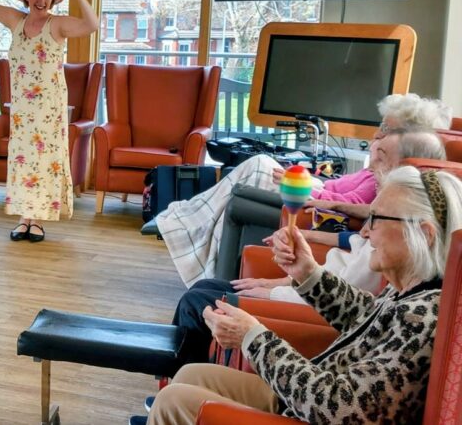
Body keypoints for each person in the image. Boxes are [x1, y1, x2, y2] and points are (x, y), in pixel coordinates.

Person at [142, 165, 461, 424]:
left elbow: (341, 409)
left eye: (376, 220)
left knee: (174, 402)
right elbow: (363, 316)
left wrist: (253, 337)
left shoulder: (423, 318)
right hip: (308, 398)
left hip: (319, 408)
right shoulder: (417, 292)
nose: (364, 231)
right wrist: (307, 273)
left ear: (424, 233)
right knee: (190, 374)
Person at [167, 129, 447, 366]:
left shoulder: (415, 317)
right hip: (309, 300)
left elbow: (332, 399)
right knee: (203, 289)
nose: (362, 228)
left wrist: (256, 329)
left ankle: (181, 223)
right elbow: (354, 295)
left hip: (301, 323)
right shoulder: (396, 282)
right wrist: (301, 272)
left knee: (197, 301)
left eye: (373, 219)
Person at [156, 93, 452, 285]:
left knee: (258, 164)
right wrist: (305, 177)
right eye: (381, 126)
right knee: (256, 166)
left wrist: (316, 196)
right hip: (317, 190)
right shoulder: (377, 167)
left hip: (314, 198)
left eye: (387, 129)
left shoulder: (391, 184)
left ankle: (183, 222)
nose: (378, 133)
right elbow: (340, 187)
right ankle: (184, 221)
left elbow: (349, 201)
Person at [0, 0, 99, 242]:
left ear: (53, 0)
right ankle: (23, 217)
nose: (42, 1)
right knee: (22, 161)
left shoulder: (58, 24)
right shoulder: (15, 20)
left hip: (49, 108)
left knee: (43, 161)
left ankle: (37, 219)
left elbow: (91, 25)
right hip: (22, 110)